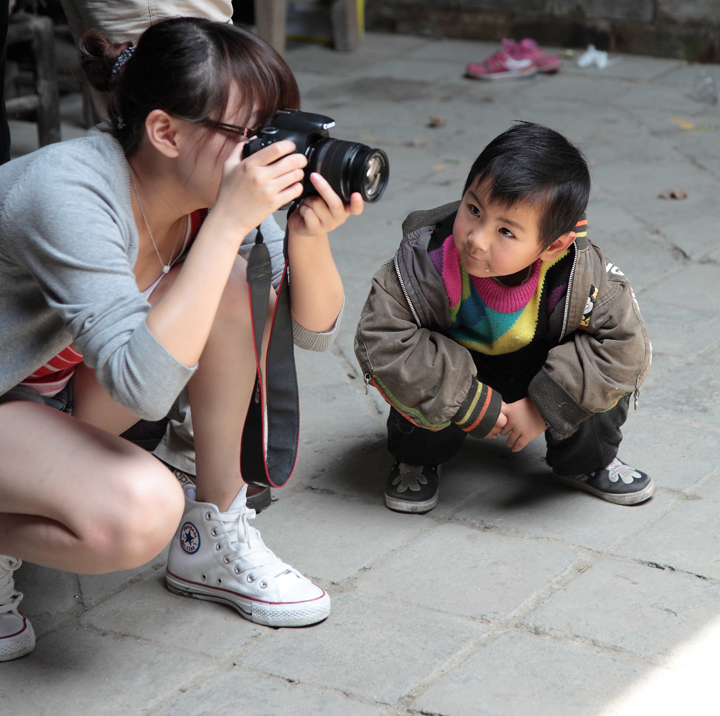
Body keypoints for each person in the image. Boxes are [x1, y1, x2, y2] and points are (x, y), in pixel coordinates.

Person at [0, 16, 363, 662]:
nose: (270, 156)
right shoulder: (69, 189)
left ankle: (214, 534)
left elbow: (311, 332)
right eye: (251, 135)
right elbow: (142, 386)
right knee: (140, 510)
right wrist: (226, 226)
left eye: (278, 131)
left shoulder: (212, 196)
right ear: (164, 131)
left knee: (226, 284)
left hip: (52, 401)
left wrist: (309, 235)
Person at [355, 122, 653, 514]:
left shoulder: (582, 275)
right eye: (473, 209)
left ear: (553, 245)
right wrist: (469, 402)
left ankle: (587, 462)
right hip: (462, 365)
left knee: (599, 377)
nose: (477, 239)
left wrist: (544, 405)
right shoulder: (423, 260)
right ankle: (417, 456)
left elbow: (626, 346)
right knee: (414, 374)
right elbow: (381, 336)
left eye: (506, 231)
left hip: (541, 367)